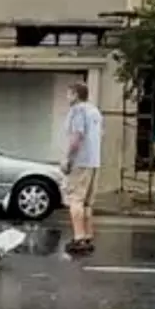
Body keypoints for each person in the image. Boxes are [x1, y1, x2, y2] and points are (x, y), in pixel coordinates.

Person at [61, 82, 103, 255]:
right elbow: (101, 134)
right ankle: (87, 235)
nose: (67, 97)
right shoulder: (95, 111)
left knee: (75, 199)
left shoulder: (77, 110)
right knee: (87, 202)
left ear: (76, 95)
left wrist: (68, 158)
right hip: (94, 161)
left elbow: (77, 136)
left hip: (81, 161)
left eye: (69, 94)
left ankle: (78, 237)